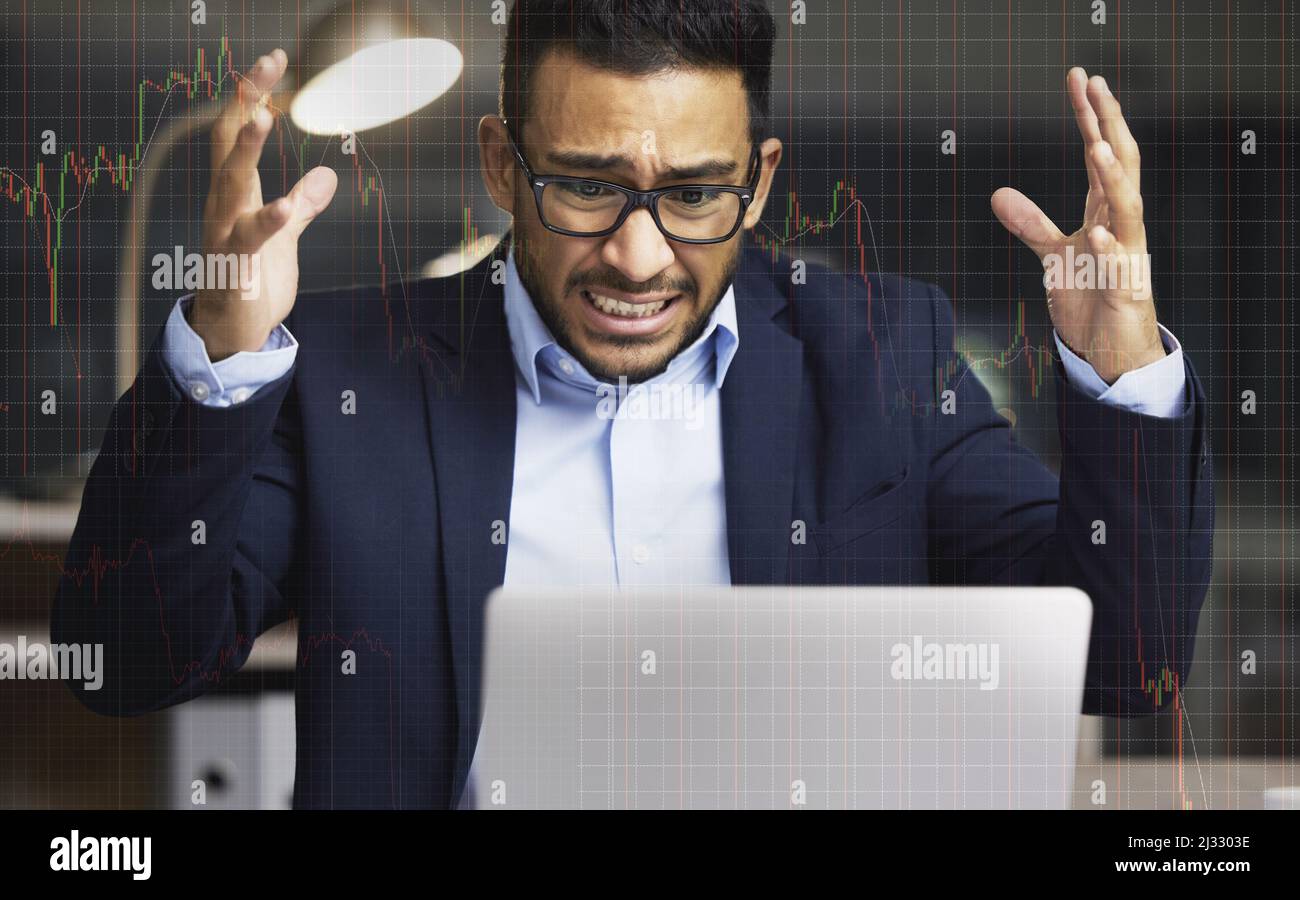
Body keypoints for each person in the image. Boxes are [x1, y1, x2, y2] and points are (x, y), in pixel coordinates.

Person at [53, 0, 1213, 809]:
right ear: (502, 166)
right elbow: (123, 660)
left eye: (695, 194)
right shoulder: (354, 372)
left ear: (757, 180)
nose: (639, 256)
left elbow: (1122, 665)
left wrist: (1123, 380)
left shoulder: (875, 352)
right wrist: (219, 352)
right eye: (587, 188)